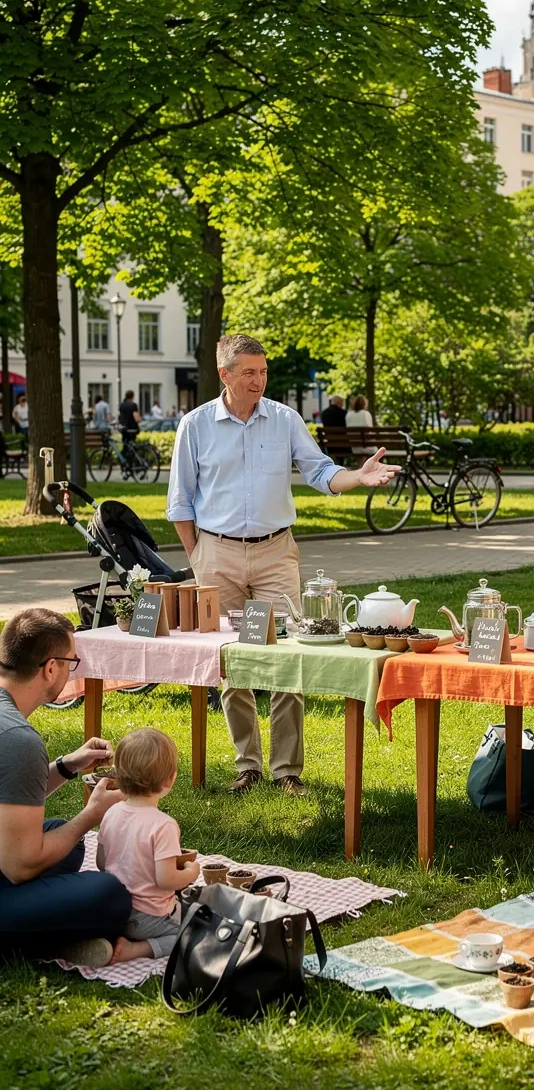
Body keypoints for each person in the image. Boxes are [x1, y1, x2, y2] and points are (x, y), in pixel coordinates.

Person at [167, 333, 398, 795]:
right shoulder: (194, 426)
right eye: (249, 372)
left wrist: (356, 476)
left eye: (263, 371)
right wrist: (199, 557)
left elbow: (319, 471)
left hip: (276, 553)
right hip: (217, 553)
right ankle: (247, 764)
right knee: (233, 659)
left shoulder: (284, 419)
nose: (259, 380)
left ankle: (286, 770)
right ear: (225, 374)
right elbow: (181, 502)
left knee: (289, 658)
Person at [0, 609, 131, 967]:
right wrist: (92, 814)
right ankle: (39, 944)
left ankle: (43, 928)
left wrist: (66, 765)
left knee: (62, 839)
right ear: (51, 668)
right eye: (71, 662)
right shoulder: (17, 740)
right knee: (110, 894)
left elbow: (8, 794)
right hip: (8, 866)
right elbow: (20, 867)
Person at [97, 728, 200, 963]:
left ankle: (110, 938)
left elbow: (102, 862)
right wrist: (190, 872)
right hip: (149, 916)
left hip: (114, 910)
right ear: (170, 779)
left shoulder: (111, 813)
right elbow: (166, 880)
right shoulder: (163, 825)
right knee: (192, 933)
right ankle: (137, 949)